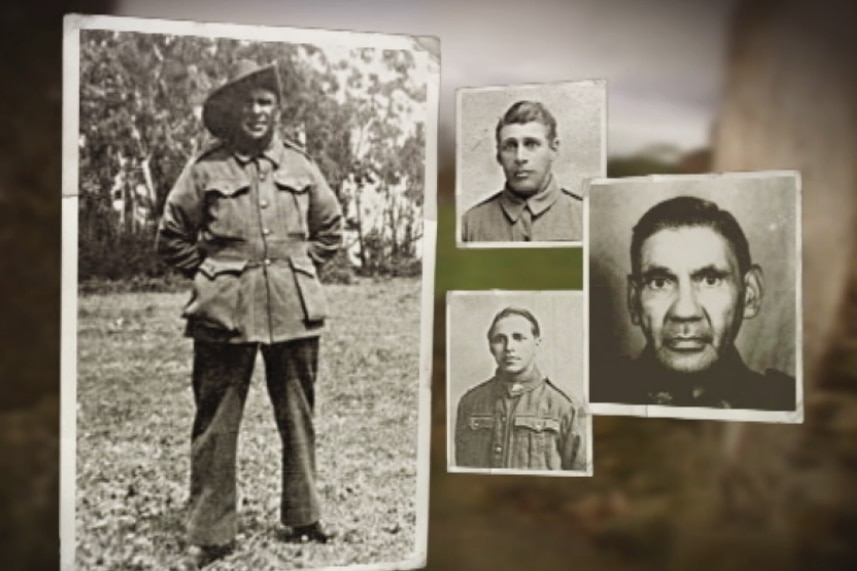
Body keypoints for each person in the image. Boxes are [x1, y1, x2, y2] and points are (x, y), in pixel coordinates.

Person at [156, 60, 343, 568]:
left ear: (277, 108)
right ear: (232, 112)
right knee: (216, 421)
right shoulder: (205, 168)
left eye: (265, 101)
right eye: (248, 102)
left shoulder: (301, 165)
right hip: (224, 312)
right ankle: (210, 535)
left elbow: (330, 229)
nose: (257, 111)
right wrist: (214, 275)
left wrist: (298, 270)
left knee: (298, 415)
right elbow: (172, 235)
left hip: (293, 308)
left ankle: (303, 517)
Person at [592, 195, 796, 410]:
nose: (684, 311)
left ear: (750, 295)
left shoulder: (785, 402)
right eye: (659, 283)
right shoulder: (594, 392)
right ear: (634, 301)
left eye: (710, 280)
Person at [454, 307, 585, 471]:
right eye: (500, 339)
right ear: (490, 347)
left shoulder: (564, 406)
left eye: (519, 338)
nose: (509, 347)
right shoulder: (470, 403)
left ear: (536, 344)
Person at [461, 100, 583, 243]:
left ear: (553, 149)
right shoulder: (470, 224)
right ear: (499, 155)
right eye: (510, 146)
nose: (520, 157)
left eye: (531, 144)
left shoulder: (586, 217)